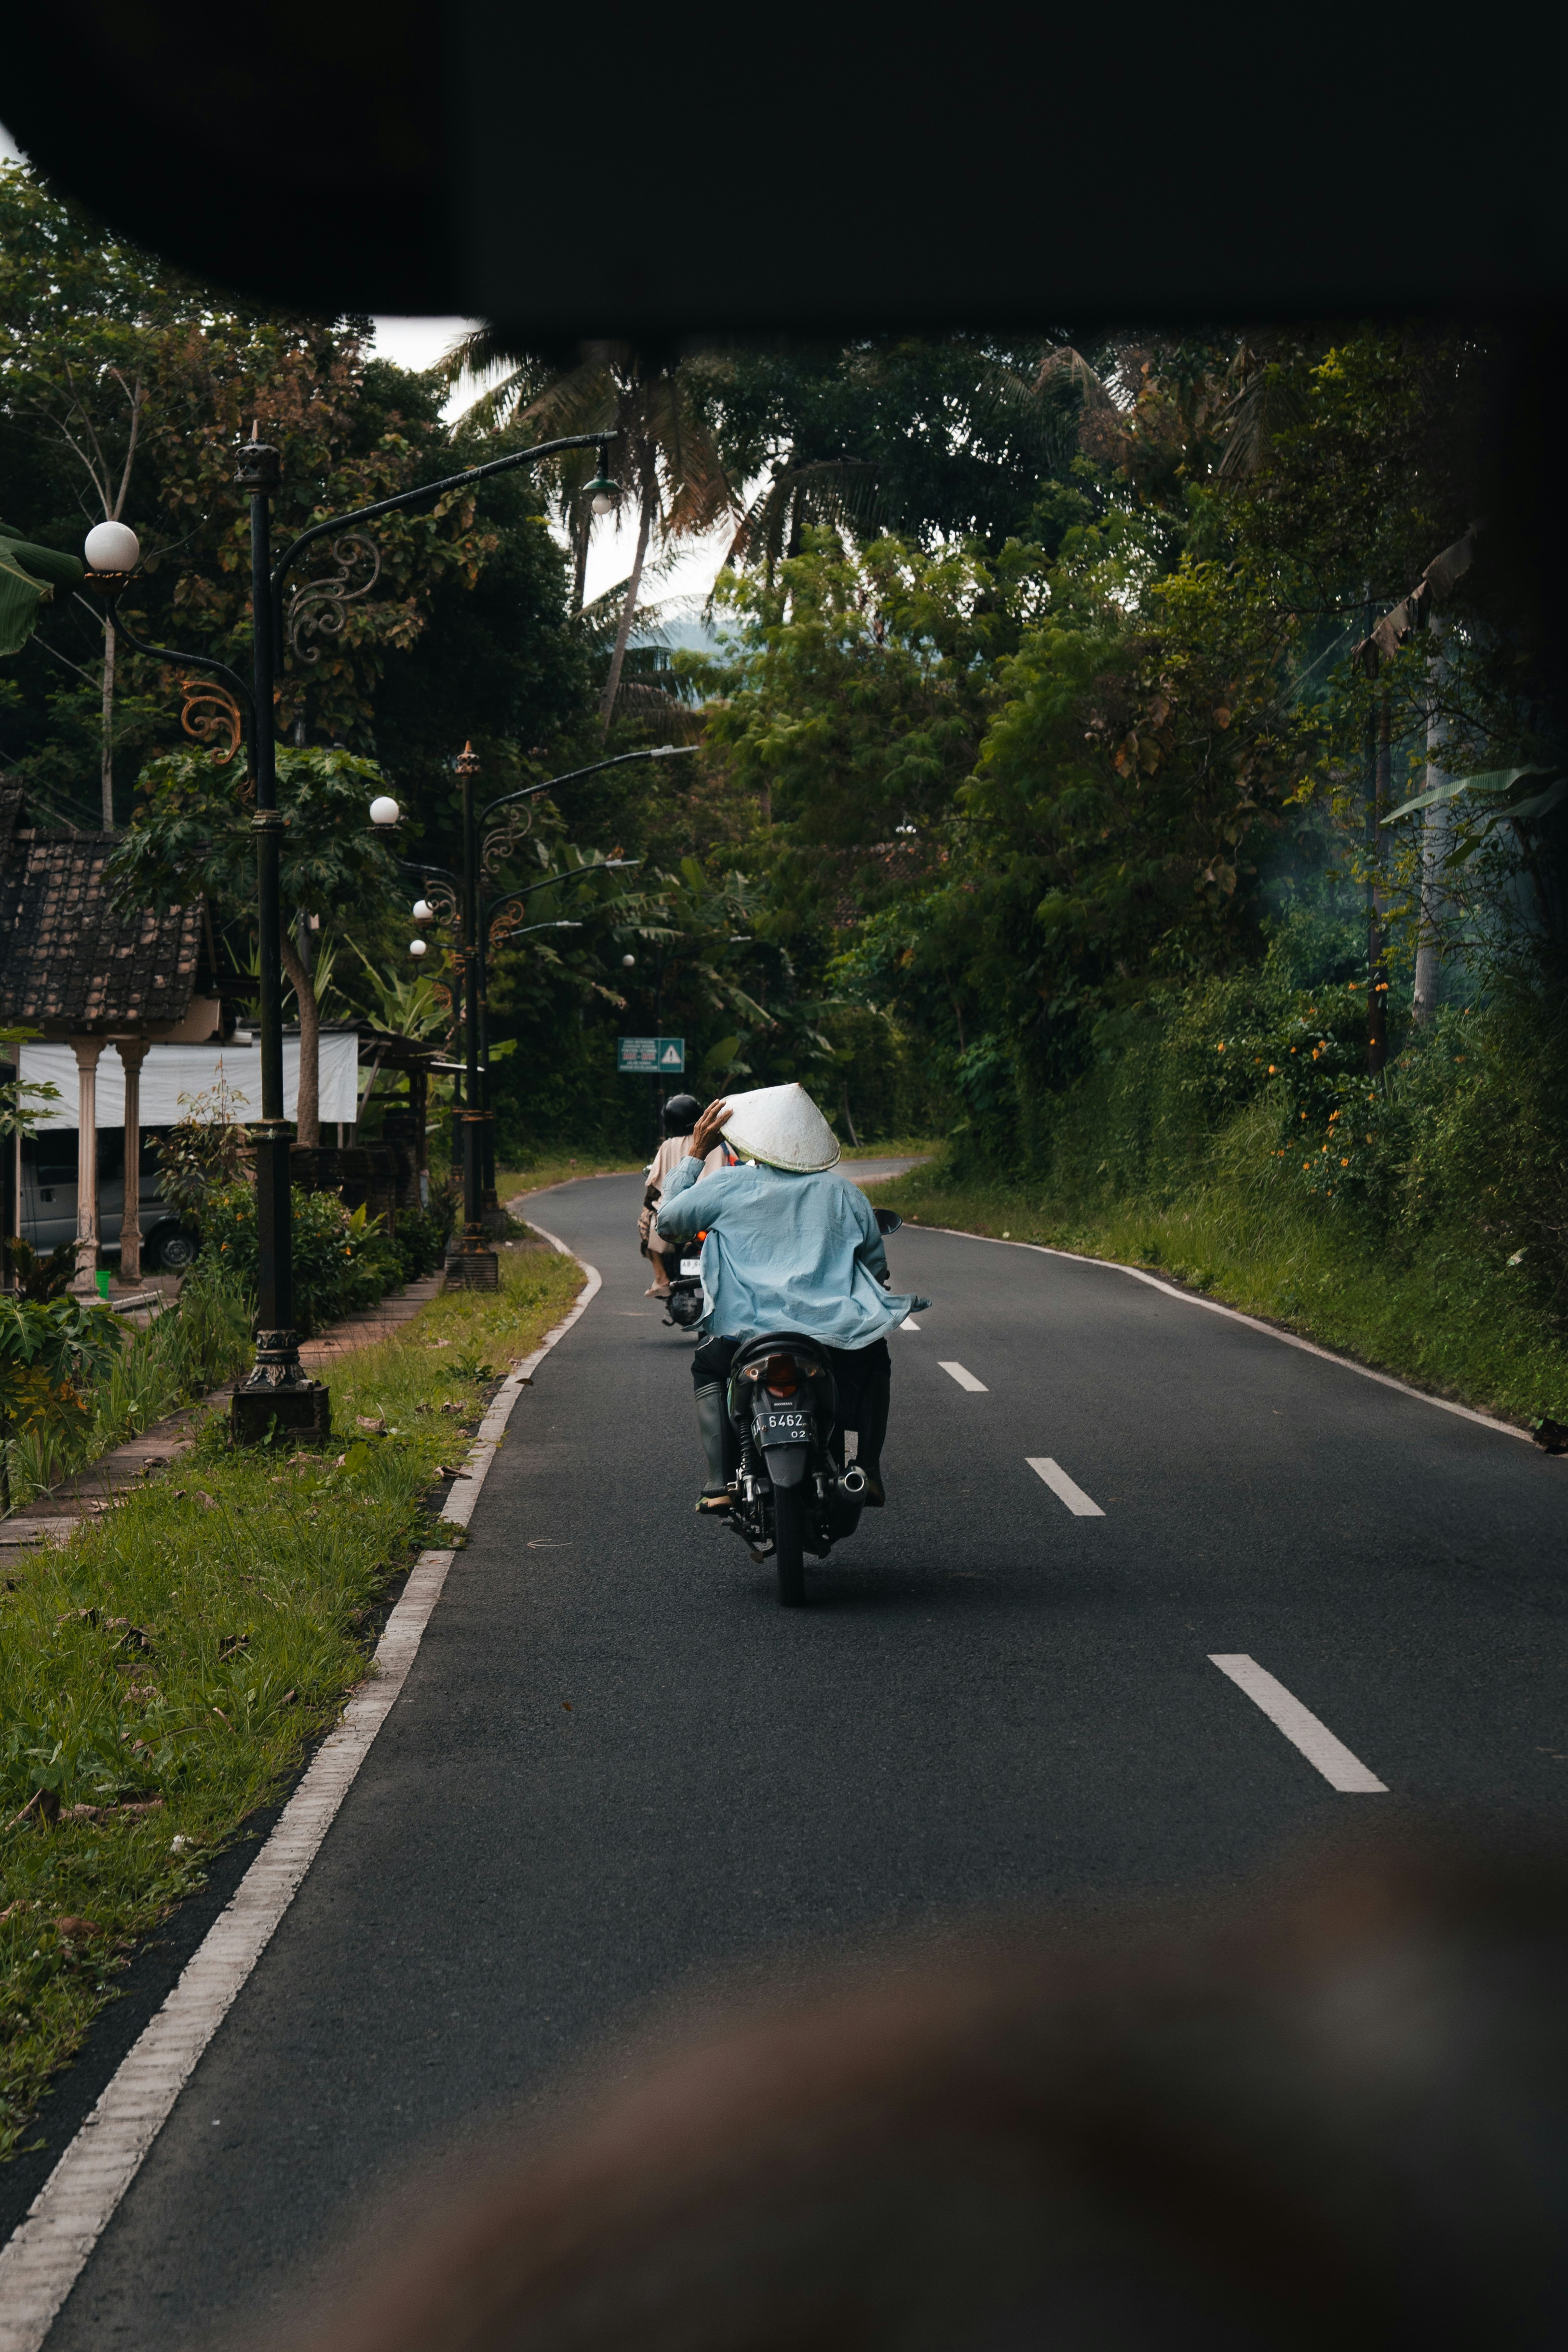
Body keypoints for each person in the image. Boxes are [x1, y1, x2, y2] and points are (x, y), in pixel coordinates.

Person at [653, 1082, 927, 1509]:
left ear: (753, 1141)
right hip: (832, 1338)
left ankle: (718, 1483)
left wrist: (695, 1155)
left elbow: (668, 1225)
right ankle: (867, 1471)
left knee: (708, 1369)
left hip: (745, 1336)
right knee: (874, 1362)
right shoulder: (844, 1194)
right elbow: (875, 1269)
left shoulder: (726, 1186)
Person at [638, 1092, 724, 1298]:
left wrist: (649, 1205)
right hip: (714, 1213)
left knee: (645, 1222)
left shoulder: (668, 1146)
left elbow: (654, 1184)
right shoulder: (720, 1142)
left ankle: (661, 1280)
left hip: (678, 1214)